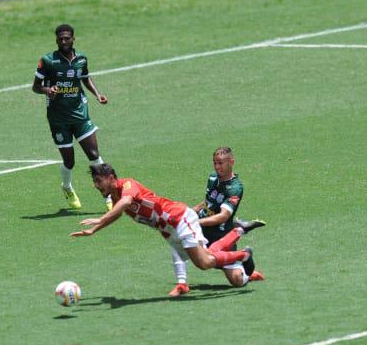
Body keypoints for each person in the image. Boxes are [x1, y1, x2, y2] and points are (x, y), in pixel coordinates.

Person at [71, 164, 261, 293]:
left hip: (178, 218)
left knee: (204, 262)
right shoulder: (115, 197)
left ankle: (243, 255)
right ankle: (237, 232)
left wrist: (100, 218)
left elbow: (126, 203)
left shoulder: (127, 185)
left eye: (99, 181)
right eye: (95, 181)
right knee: (205, 256)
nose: (96, 186)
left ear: (111, 178)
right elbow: (117, 213)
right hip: (168, 228)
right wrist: (94, 230)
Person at [32, 24, 110, 211]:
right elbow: (35, 86)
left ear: (73, 39)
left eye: (67, 38)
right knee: (69, 161)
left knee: (94, 155)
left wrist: (97, 94)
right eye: (60, 38)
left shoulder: (81, 59)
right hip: (58, 119)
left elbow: (85, 77)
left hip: (80, 115)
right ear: (56, 40)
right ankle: (67, 187)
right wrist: (47, 90)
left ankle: (108, 195)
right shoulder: (48, 61)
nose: (64, 41)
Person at [173, 147, 265, 297]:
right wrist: (189, 213)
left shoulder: (235, 188)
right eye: (215, 163)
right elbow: (207, 202)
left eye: (220, 163)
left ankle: (244, 263)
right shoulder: (212, 178)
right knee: (180, 241)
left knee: (237, 280)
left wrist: (198, 222)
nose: (217, 167)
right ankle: (181, 283)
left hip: (220, 235)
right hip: (203, 231)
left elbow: (223, 216)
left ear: (231, 162)